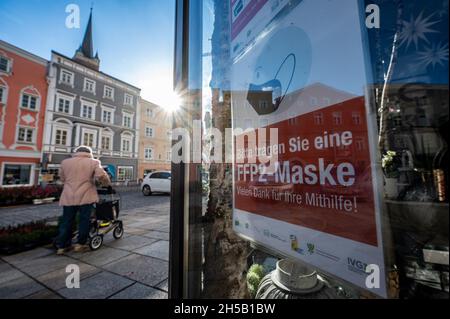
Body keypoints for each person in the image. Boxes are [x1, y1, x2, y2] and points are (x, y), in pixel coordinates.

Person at [55, 146, 111, 255]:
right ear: (89, 153)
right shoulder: (93, 162)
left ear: (77, 152)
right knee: (84, 220)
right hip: (86, 196)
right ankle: (80, 244)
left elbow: (62, 179)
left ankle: (62, 246)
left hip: (68, 196)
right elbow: (101, 176)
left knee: (66, 221)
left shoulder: (65, 162)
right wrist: (106, 183)